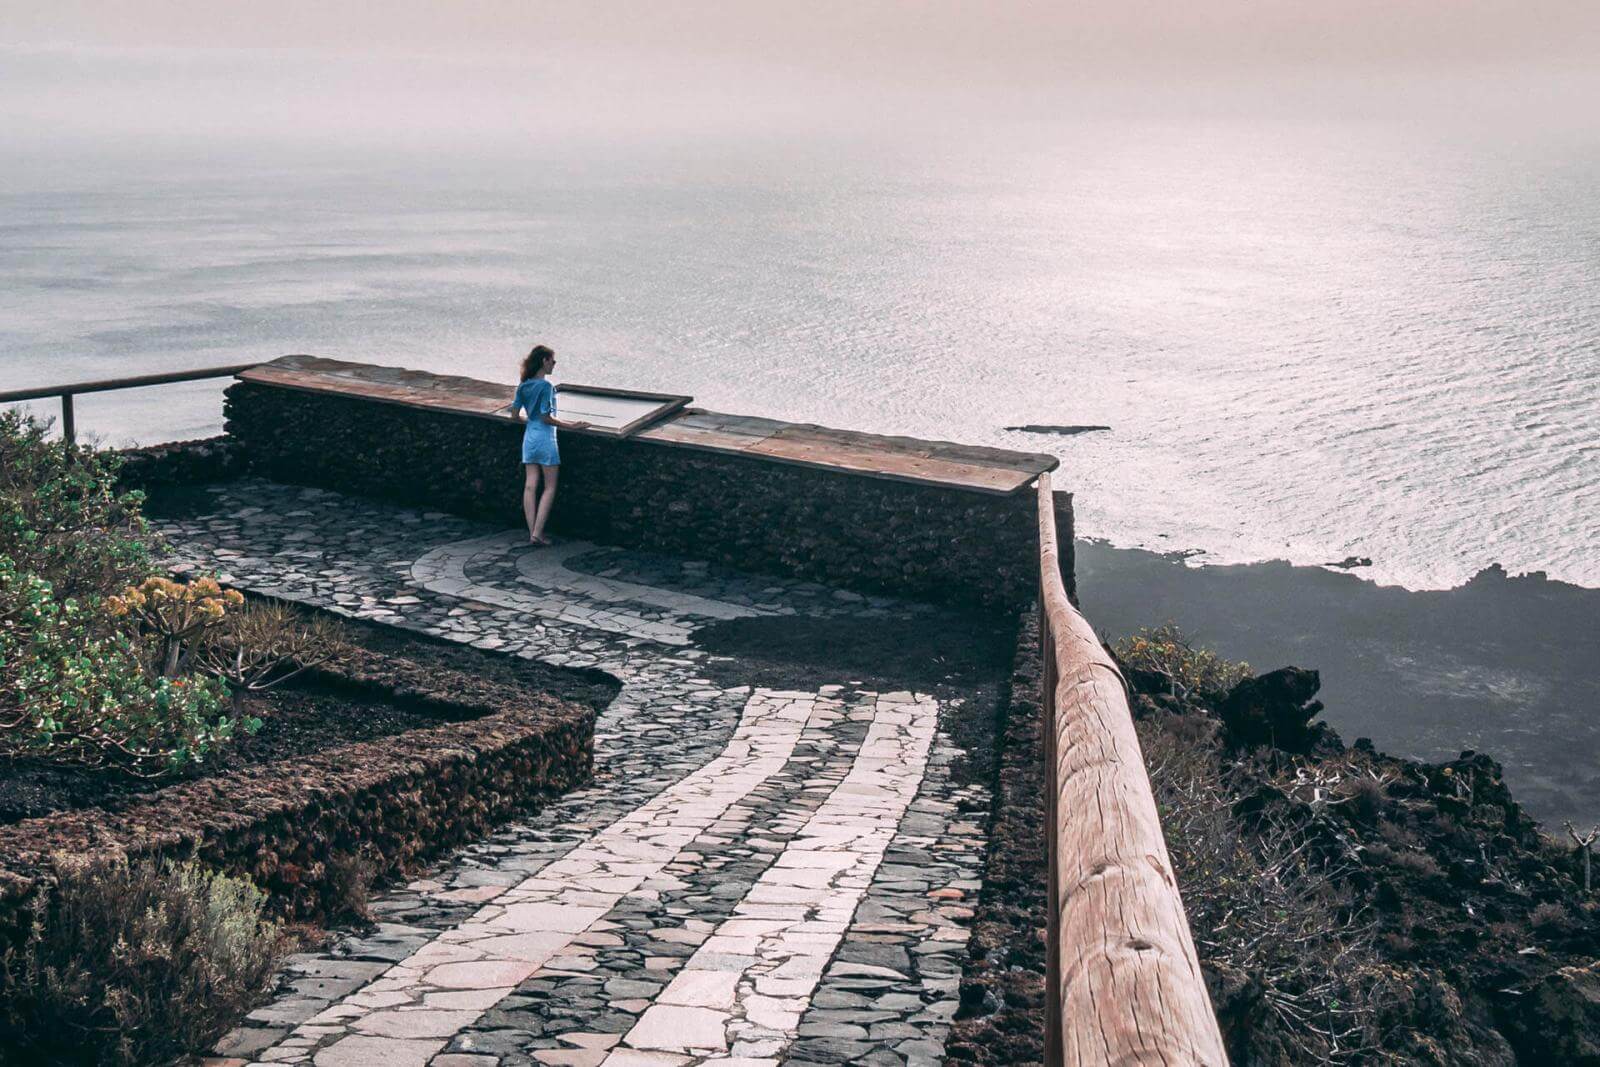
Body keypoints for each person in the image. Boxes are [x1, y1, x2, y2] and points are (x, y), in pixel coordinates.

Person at [513, 345, 588, 546]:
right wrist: (571, 425)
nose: (554, 365)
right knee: (550, 487)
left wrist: (530, 422)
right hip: (546, 440)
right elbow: (547, 418)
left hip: (529, 438)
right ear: (544, 361)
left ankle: (532, 533)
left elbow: (515, 415)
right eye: (552, 361)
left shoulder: (523, 386)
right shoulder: (546, 387)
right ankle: (538, 533)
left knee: (530, 486)